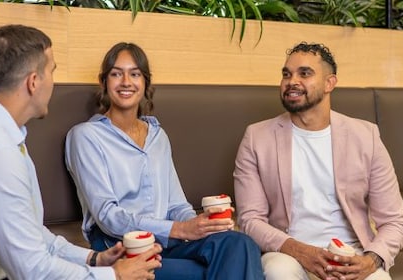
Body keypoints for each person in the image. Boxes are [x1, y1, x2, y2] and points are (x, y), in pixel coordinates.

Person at [0, 25, 161, 280]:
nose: (53, 82)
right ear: (34, 82)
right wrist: (113, 275)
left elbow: (32, 234)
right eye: (51, 71)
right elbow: (32, 270)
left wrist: (94, 259)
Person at [65, 42, 264, 280]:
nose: (126, 81)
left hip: (169, 241)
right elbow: (108, 216)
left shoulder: (158, 136)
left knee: (240, 245)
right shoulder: (85, 136)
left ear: (145, 83)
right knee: (207, 272)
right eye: (117, 74)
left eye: (135, 74)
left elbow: (176, 206)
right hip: (122, 247)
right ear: (104, 82)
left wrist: (202, 224)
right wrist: (178, 229)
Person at [233, 42, 403, 280]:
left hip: (350, 253)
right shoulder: (257, 138)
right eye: (286, 74)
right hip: (287, 253)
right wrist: (299, 250)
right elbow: (250, 220)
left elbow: (394, 220)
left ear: (329, 83)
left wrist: (370, 260)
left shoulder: (366, 136)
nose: (291, 81)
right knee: (278, 272)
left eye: (304, 73)